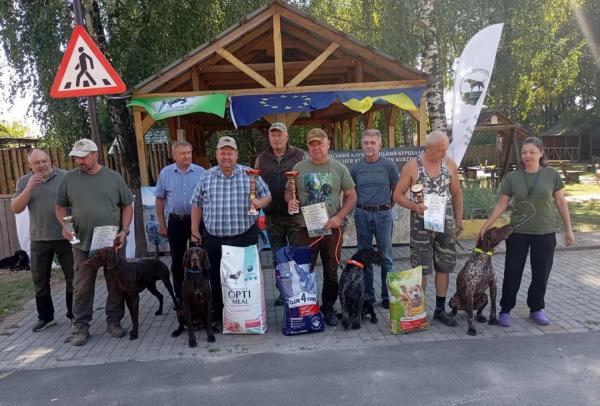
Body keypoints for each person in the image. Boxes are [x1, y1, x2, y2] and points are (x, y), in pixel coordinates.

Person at [480, 136, 574, 327]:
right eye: (524, 152)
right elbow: (502, 204)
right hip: (518, 232)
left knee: (541, 273)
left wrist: (569, 230)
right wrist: (485, 226)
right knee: (513, 271)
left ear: (541, 153)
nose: (527, 156)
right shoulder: (513, 177)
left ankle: (536, 309)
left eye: (532, 152)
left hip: (545, 232)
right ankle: (505, 310)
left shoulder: (552, 174)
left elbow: (560, 202)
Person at [55, 138, 134, 346]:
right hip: (82, 245)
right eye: (76, 158)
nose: (78, 161)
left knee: (115, 283)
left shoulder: (113, 177)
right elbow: (60, 207)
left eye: (82, 157)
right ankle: (81, 327)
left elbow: (127, 206)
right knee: (81, 286)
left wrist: (124, 231)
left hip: (112, 243)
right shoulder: (69, 179)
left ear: (95, 155)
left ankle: (114, 322)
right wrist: (65, 227)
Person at [190, 136, 271, 326]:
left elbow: (267, 195)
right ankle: (219, 314)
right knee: (216, 278)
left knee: (244, 279)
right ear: (216, 154)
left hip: (243, 236)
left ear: (236, 154)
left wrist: (260, 202)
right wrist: (194, 230)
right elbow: (196, 204)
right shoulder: (206, 176)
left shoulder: (250, 174)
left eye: (230, 153)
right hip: (214, 238)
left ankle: (245, 314)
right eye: (222, 153)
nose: (226, 156)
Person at [287, 128, 357, 327]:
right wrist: (290, 202)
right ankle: (307, 308)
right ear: (308, 146)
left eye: (319, 142)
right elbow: (289, 193)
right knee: (303, 271)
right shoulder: (298, 167)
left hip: (332, 229)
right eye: (312, 143)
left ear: (328, 143)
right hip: (305, 229)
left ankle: (327, 308)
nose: (316, 147)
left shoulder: (339, 168)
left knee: (331, 270)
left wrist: (339, 217)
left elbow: (352, 196)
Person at [393, 129, 463, 326]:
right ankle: (416, 309)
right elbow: (397, 195)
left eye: (446, 149)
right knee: (420, 269)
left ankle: (440, 309)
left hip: (445, 223)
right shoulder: (412, 167)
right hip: (420, 225)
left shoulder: (449, 165)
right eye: (440, 150)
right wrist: (413, 206)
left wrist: (458, 219)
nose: (444, 154)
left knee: (444, 266)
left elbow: (457, 193)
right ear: (428, 148)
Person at [11, 149, 74, 332]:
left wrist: (71, 228)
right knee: (39, 280)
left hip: (67, 235)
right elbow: (16, 208)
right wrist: (29, 187)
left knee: (74, 277)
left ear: (50, 160)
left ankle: (74, 315)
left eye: (44, 161)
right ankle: (46, 317)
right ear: (30, 165)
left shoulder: (66, 177)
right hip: (39, 237)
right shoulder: (24, 181)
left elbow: (76, 204)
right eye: (37, 163)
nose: (42, 165)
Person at [255, 122, 305, 306]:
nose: (276, 138)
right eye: (273, 134)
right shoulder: (261, 158)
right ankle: (283, 292)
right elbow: (255, 185)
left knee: (296, 254)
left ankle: (299, 290)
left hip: (294, 216)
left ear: (286, 136)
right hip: (272, 216)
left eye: (279, 134)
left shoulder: (300, 155)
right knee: (278, 256)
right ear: (269, 137)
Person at [350, 129, 399, 309]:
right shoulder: (356, 168)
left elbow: (396, 189)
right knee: (364, 255)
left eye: (373, 143)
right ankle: (368, 295)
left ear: (379, 144)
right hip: (362, 214)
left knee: (386, 256)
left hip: (383, 215)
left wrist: (387, 206)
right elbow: (352, 192)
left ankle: (387, 296)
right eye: (366, 143)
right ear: (362, 145)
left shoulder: (389, 165)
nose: (369, 146)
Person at [155, 140, 206, 301]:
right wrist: (162, 224)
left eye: (189, 153)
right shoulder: (165, 173)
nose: (187, 156)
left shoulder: (201, 172)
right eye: (183, 153)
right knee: (177, 262)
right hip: (176, 222)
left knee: (199, 259)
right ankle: (180, 297)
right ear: (174, 155)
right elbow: (159, 199)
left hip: (197, 222)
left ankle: (200, 293)